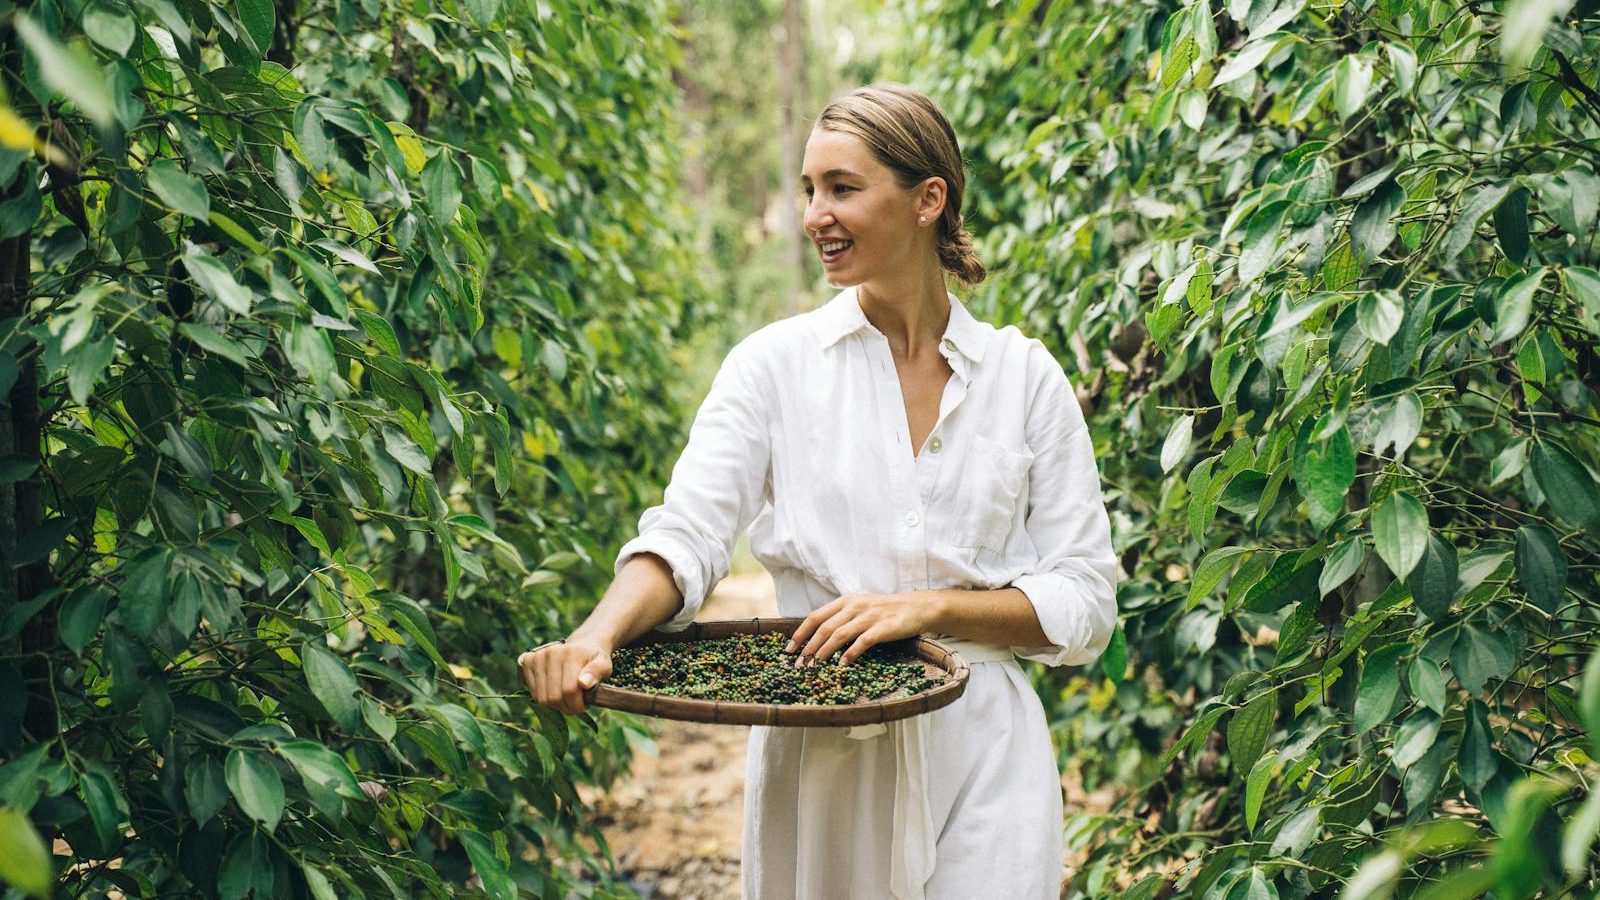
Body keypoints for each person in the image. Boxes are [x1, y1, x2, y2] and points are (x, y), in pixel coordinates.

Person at [517, 83, 1118, 900]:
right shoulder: (774, 366)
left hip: (984, 749)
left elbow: (1084, 598)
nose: (814, 215)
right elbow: (688, 532)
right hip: (823, 749)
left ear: (927, 200)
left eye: (842, 187)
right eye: (809, 190)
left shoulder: (1025, 379)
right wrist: (596, 635)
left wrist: (932, 609)